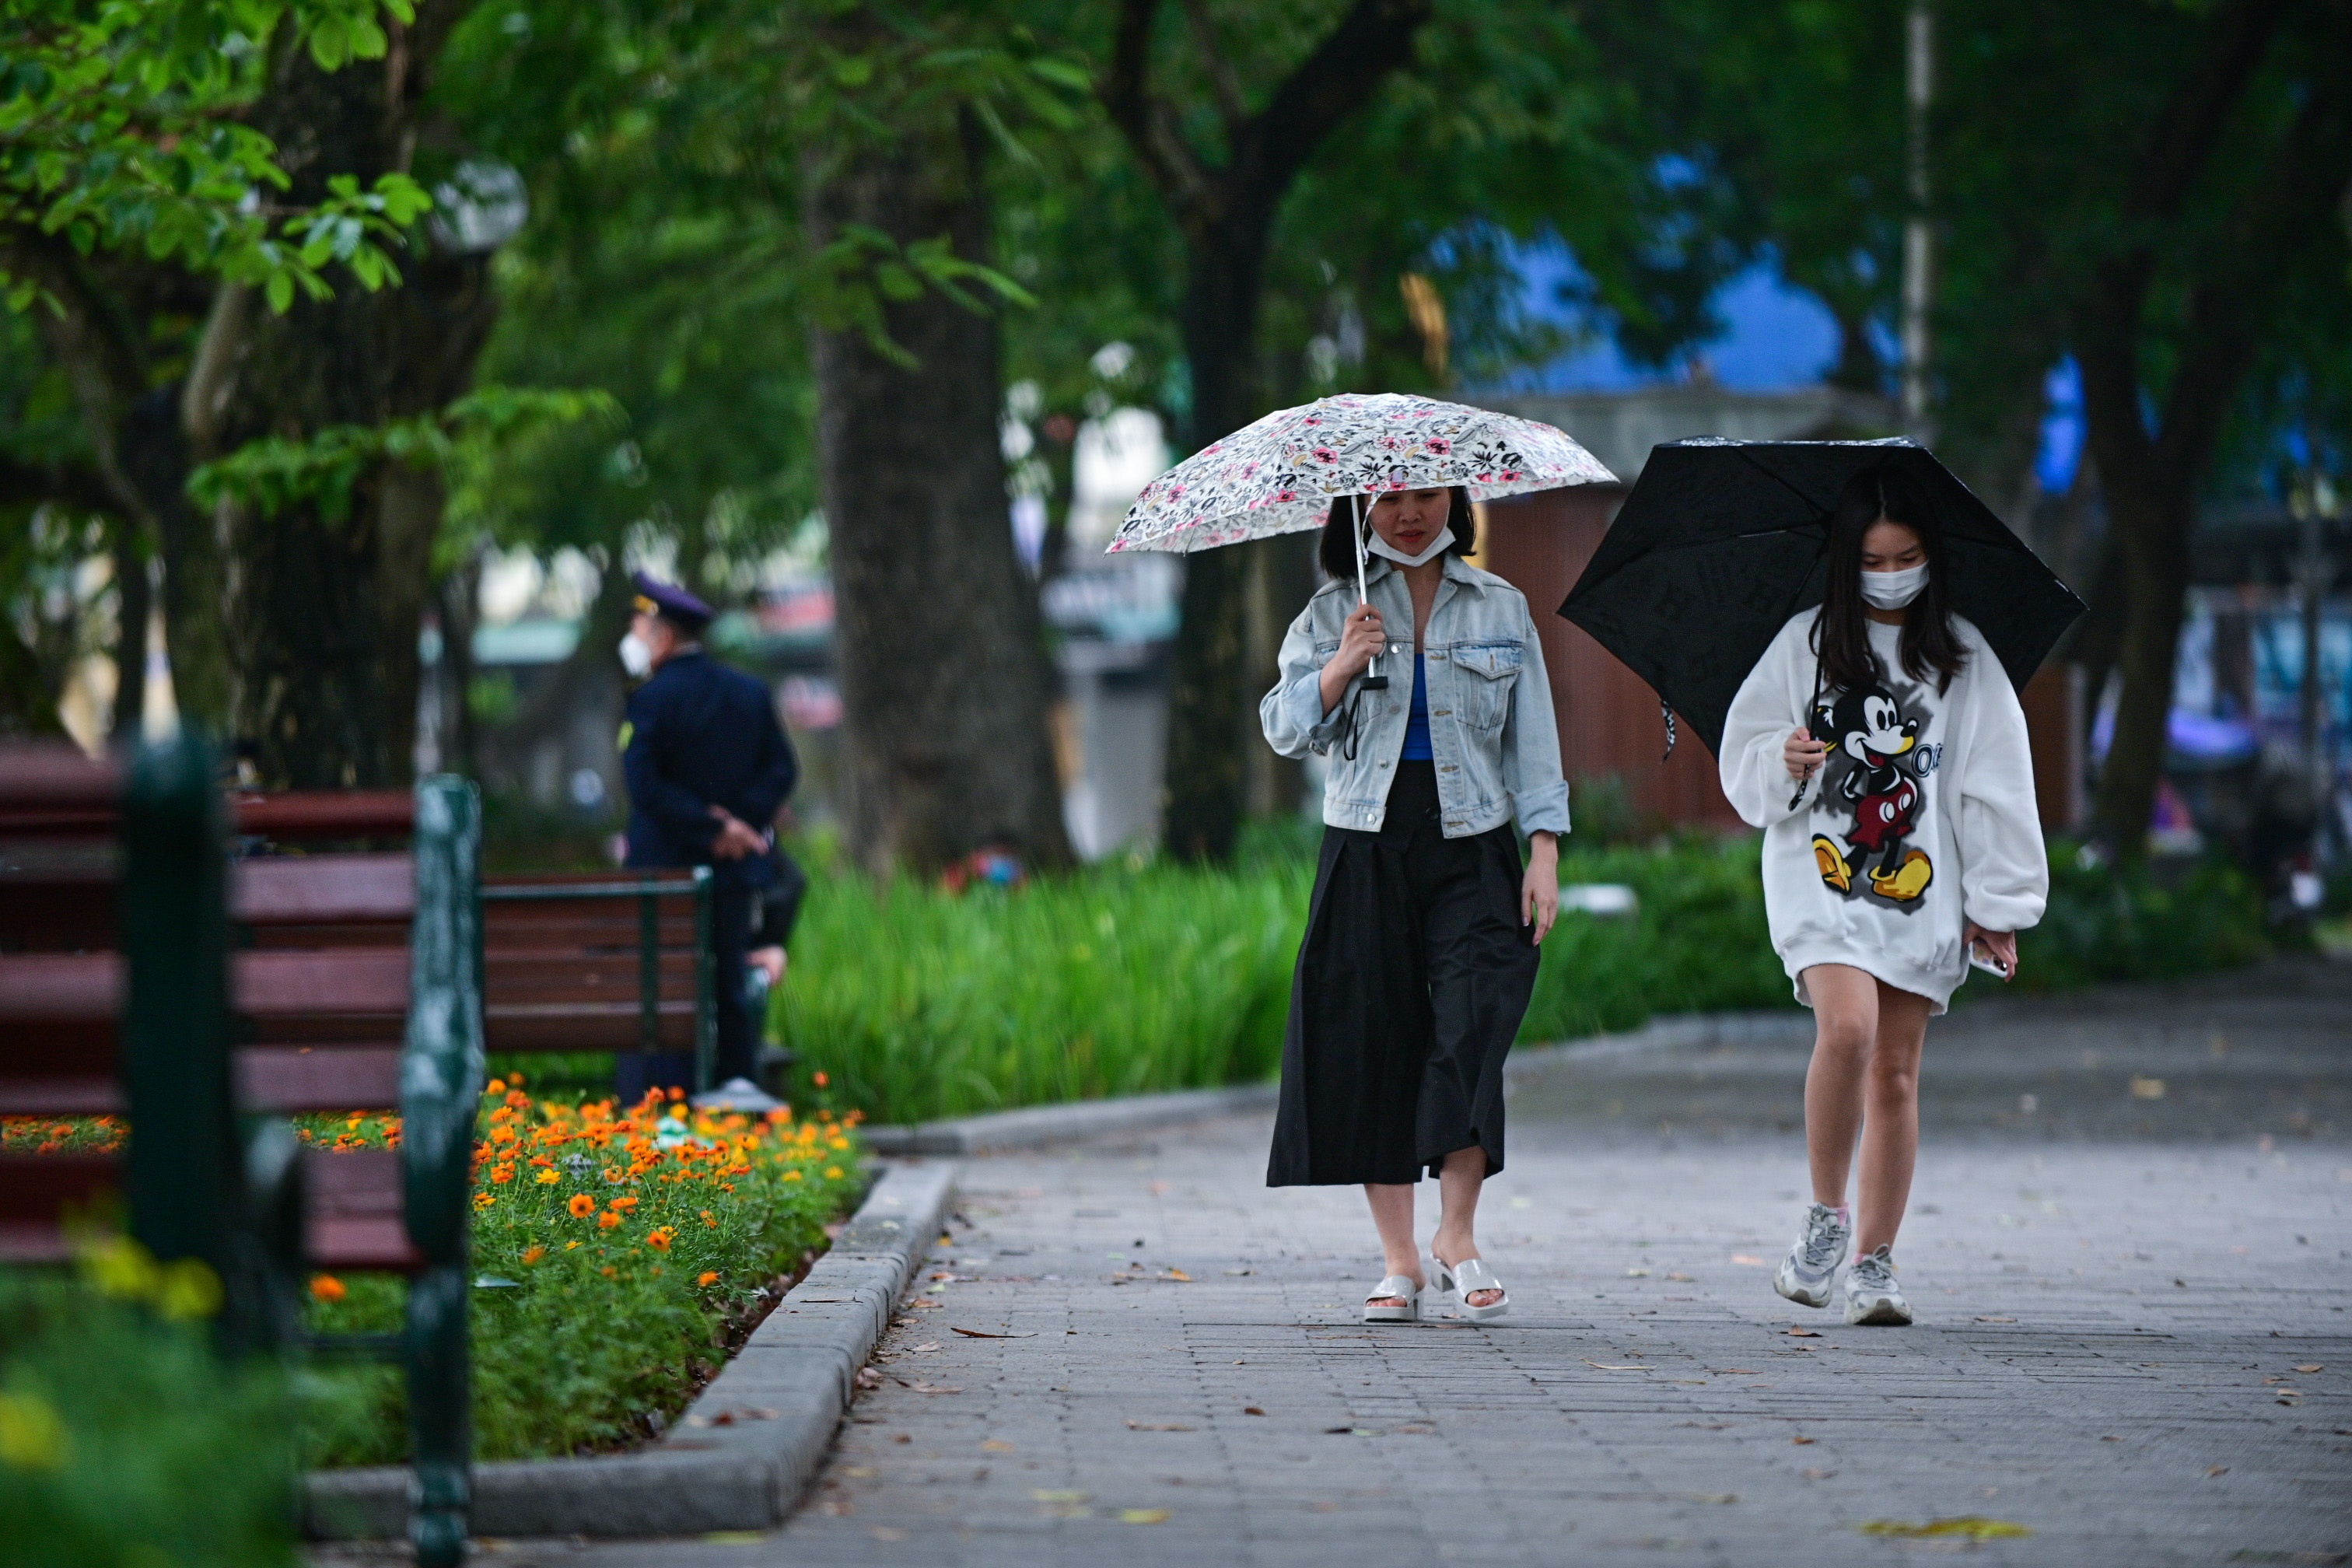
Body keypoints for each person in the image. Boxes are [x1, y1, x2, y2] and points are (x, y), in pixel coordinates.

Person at [1718, 465, 2048, 1326]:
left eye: (1907, 557)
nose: (1892, 573)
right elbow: (1746, 758)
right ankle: (1826, 1218)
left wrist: (2000, 905)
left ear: (1932, 557)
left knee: (1896, 1076)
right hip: (1819, 874)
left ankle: (1874, 1264)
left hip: (1922, 887)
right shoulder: (1804, 645)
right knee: (1849, 1030)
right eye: (1873, 559)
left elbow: (1994, 785)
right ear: (1846, 559)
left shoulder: (1964, 659)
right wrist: (1783, 760)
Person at [1260, 483, 1566, 1325]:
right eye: (1390, 498)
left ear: (1453, 501)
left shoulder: (1502, 606)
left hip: (1475, 842)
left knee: (1474, 1022)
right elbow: (1284, 727)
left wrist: (1543, 850)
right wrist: (1339, 665)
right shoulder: (1334, 610)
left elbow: (1534, 740)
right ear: (1362, 510)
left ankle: (1456, 1234)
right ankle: (1400, 1261)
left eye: (1426, 495)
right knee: (1374, 1037)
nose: (1409, 514)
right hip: (1365, 841)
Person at [616, 571, 799, 1112]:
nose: (632, 640)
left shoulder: (650, 700)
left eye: (638, 629)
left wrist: (708, 825)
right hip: (732, 873)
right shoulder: (749, 692)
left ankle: (665, 1101)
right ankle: (735, 1094)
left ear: (665, 636)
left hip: (664, 876)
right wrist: (738, 826)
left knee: (665, 984)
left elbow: (644, 785)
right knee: (729, 985)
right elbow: (782, 769)